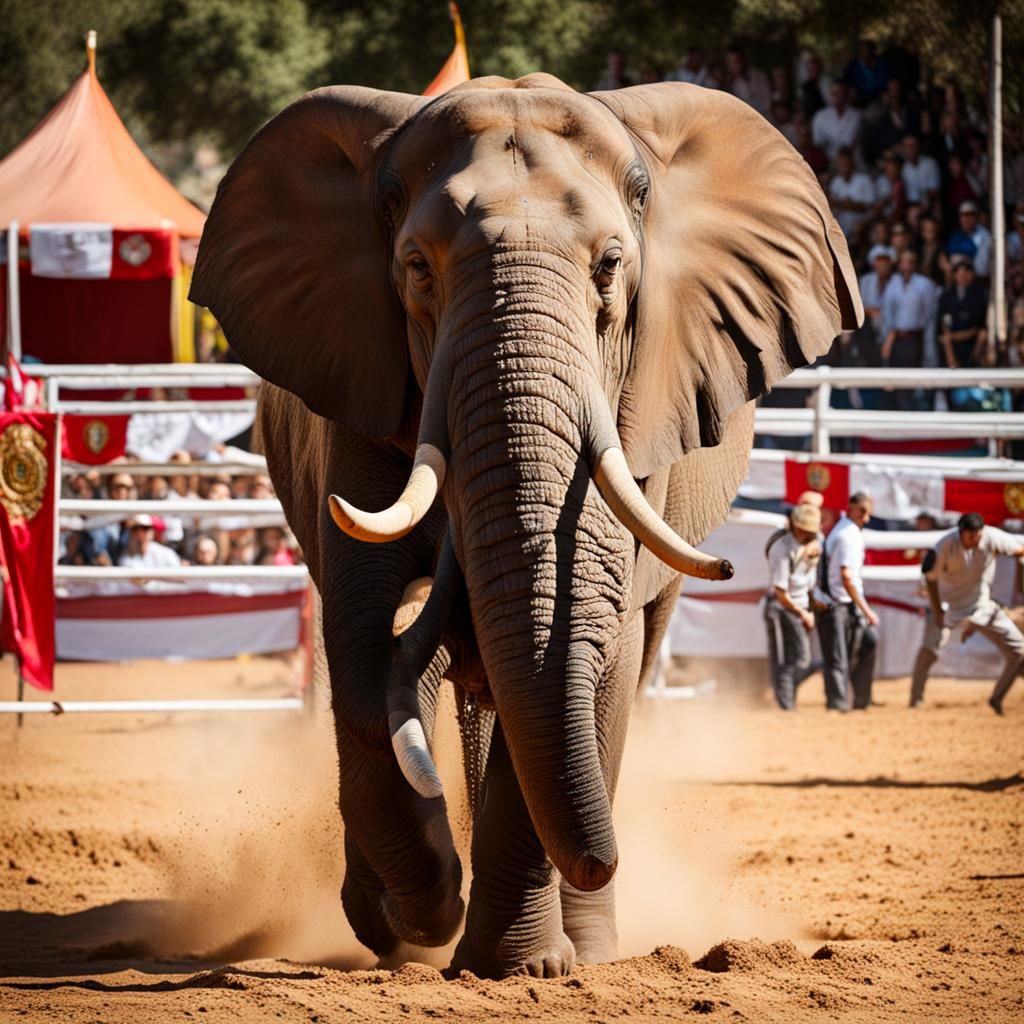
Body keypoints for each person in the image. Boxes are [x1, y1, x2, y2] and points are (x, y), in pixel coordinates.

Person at [910, 512, 1024, 714]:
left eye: (978, 535)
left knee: (1019, 652)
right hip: (948, 605)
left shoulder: (991, 536)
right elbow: (931, 578)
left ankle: (997, 699)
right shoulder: (944, 545)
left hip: (981, 605)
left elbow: (1019, 550)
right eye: (970, 536)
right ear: (960, 533)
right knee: (930, 650)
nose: (975, 540)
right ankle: (915, 698)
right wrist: (937, 613)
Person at [813, 493, 879, 711]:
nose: (866, 518)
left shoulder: (846, 532)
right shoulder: (847, 536)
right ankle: (838, 703)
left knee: (852, 650)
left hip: (842, 603)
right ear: (853, 510)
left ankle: (856, 699)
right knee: (839, 657)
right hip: (837, 604)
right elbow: (847, 577)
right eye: (863, 512)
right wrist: (866, 609)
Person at [764, 502, 822, 710]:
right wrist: (804, 613)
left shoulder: (808, 543)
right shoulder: (782, 548)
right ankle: (786, 705)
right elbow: (781, 593)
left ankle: (787, 701)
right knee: (788, 660)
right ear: (797, 528)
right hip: (782, 608)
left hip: (796, 608)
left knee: (796, 660)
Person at [881, 250, 938, 407]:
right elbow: (887, 312)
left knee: (912, 380)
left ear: (915, 265)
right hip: (895, 338)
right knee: (894, 382)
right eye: (904, 262)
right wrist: (888, 338)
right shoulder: (893, 283)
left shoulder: (924, 284)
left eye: (910, 262)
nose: (906, 266)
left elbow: (928, 315)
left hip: (915, 338)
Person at [938, 257, 988, 370]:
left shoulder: (979, 295)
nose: (963, 276)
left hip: (972, 345)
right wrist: (950, 350)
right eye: (959, 273)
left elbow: (979, 326)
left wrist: (954, 336)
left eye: (967, 272)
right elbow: (943, 324)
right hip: (951, 347)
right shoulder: (947, 296)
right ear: (954, 275)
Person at [829, 147, 874, 242]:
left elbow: (869, 207)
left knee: (857, 228)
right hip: (840, 221)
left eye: (846, 165)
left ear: (852, 164)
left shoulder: (864, 180)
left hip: (860, 220)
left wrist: (847, 204)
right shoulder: (836, 182)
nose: (843, 168)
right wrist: (846, 204)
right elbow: (832, 204)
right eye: (841, 165)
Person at [812, 83, 862, 161]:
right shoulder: (820, 116)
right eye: (834, 93)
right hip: (826, 161)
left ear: (846, 95)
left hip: (851, 161)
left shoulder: (857, 116)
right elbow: (817, 143)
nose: (837, 97)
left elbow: (852, 142)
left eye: (840, 93)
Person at [945, 200, 993, 280]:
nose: (967, 219)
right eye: (963, 215)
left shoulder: (985, 236)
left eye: (971, 215)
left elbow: (983, 268)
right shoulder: (955, 236)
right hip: (958, 279)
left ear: (977, 217)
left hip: (980, 279)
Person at [117, 515, 182, 569]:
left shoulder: (166, 553)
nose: (140, 533)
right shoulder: (124, 557)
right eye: (135, 529)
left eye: (145, 528)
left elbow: (180, 578)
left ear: (152, 531)